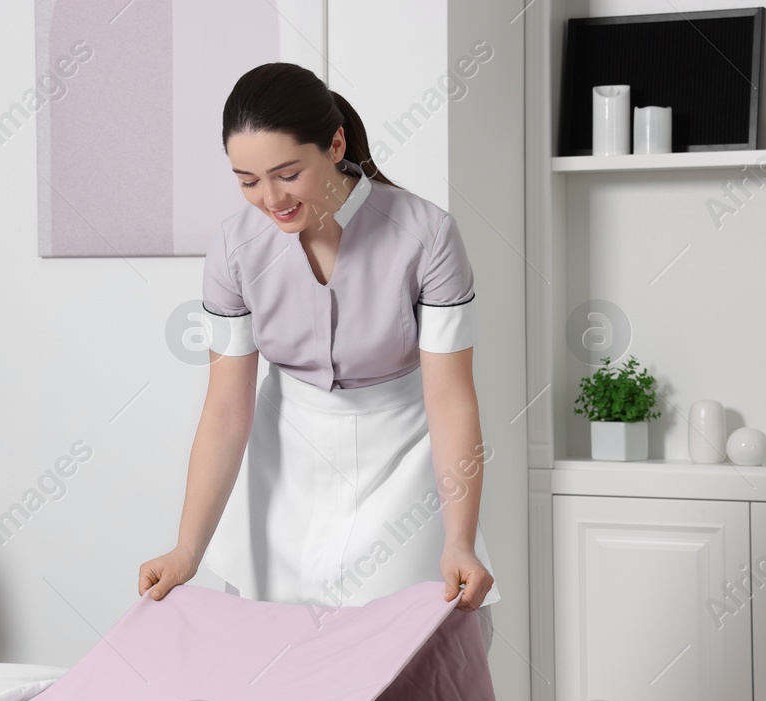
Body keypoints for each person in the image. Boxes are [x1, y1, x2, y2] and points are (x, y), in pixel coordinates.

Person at [138, 62, 498, 649]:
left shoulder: (425, 234)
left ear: (335, 145)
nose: (270, 199)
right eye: (248, 180)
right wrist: (187, 550)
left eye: (287, 174)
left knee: (405, 657)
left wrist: (458, 538)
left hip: (405, 456)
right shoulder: (234, 247)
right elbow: (227, 410)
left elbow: (451, 397)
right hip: (286, 466)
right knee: (278, 664)